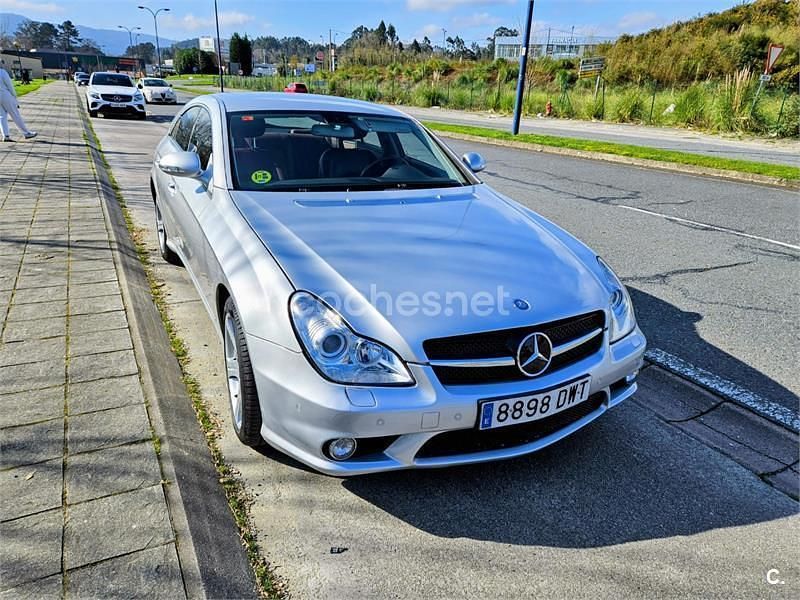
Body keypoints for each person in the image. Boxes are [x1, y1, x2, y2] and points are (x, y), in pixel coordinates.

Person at [0, 60, 37, 142]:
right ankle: (26, 133)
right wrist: (14, 96)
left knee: (2, 116)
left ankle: (5, 135)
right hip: (5, 95)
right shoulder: (2, 72)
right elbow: (10, 85)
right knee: (15, 114)